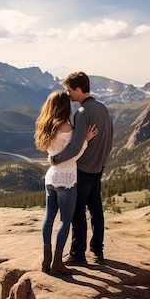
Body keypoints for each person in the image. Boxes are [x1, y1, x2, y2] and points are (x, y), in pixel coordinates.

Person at [49, 71, 113, 265]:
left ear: (78, 89)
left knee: (77, 212)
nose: (68, 95)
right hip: (98, 167)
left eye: (69, 91)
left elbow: (75, 147)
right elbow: (109, 138)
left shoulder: (83, 112)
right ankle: (97, 251)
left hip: (84, 169)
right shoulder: (103, 108)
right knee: (96, 209)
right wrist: (101, 162)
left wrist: (56, 159)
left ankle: (78, 254)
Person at [35, 90, 97, 275]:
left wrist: (53, 159)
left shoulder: (46, 126)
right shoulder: (68, 129)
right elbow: (74, 154)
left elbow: (52, 154)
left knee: (48, 218)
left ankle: (46, 258)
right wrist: (85, 140)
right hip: (66, 179)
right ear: (65, 106)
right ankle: (57, 262)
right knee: (65, 220)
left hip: (51, 177)